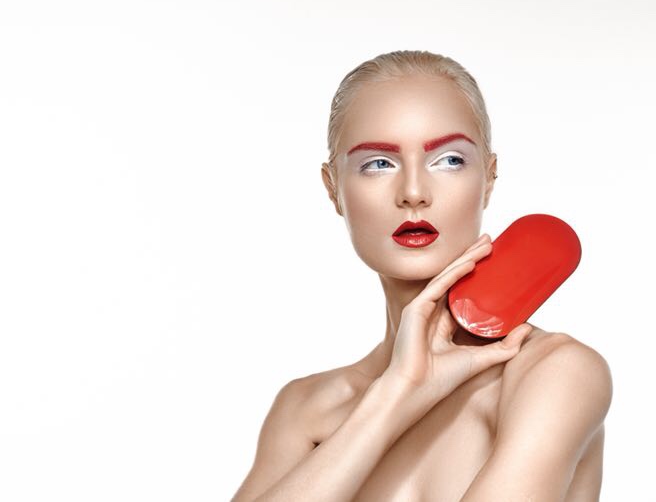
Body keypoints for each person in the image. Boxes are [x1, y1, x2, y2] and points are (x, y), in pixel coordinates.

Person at [231, 50, 613, 502]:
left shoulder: (553, 373)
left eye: (449, 160)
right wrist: (396, 395)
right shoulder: (305, 410)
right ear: (333, 188)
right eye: (378, 163)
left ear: (489, 178)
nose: (413, 192)